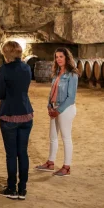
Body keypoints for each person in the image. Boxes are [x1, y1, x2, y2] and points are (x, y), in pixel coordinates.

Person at [0, 41, 33, 200]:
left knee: (11, 154)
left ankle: (12, 188)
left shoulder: (5, 69)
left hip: (9, 116)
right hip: (26, 114)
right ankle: (23, 189)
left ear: (6, 54)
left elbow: (1, 94)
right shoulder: (27, 68)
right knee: (23, 153)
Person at [35, 47, 79, 177]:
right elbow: (52, 92)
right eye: (56, 57)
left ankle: (66, 167)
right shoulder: (57, 73)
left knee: (66, 138)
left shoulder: (72, 74)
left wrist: (58, 110)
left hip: (65, 109)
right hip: (54, 108)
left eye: (61, 56)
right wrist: (49, 106)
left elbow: (71, 97)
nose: (58, 59)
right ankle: (50, 163)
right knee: (53, 137)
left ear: (67, 58)